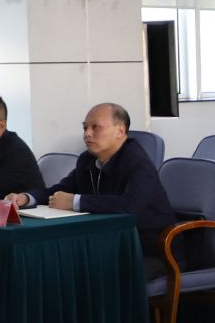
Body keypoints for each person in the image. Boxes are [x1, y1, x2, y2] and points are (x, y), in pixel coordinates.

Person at [12, 103, 174, 253]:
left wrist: (76, 202)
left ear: (120, 131)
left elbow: (131, 204)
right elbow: (61, 191)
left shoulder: (138, 162)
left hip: (147, 248)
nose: (87, 134)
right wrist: (27, 198)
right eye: (85, 128)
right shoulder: (87, 159)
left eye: (95, 127)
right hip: (105, 244)